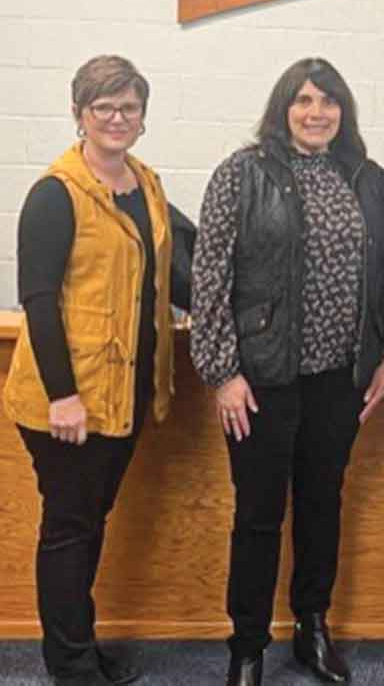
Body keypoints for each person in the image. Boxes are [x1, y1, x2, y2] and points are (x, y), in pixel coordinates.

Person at [190, 58, 384, 686]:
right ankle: (248, 647)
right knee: (258, 514)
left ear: (345, 110)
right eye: (304, 100)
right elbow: (210, 278)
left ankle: (313, 626)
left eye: (329, 100)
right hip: (260, 381)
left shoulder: (368, 179)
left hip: (338, 379)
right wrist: (222, 371)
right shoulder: (243, 173)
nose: (317, 112)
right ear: (283, 107)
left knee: (321, 506)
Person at [4, 55, 176, 686]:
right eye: (102, 106)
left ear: (142, 117)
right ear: (79, 113)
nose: (115, 117)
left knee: (87, 523)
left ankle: (78, 643)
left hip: (122, 396)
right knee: (69, 528)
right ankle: (70, 664)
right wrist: (63, 396)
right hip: (67, 402)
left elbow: (172, 269)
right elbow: (39, 301)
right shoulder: (56, 193)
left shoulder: (145, 185)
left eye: (128, 107)